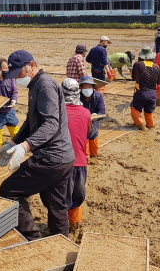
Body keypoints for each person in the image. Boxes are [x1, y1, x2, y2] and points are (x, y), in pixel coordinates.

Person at [0, 50, 75, 240]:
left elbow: (51, 123)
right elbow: (31, 121)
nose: (18, 79)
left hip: (50, 158)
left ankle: (32, 238)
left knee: (9, 189)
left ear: (31, 65)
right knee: (55, 204)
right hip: (63, 158)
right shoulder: (36, 84)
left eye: (19, 74)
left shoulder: (45, 86)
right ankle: (60, 242)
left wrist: (26, 146)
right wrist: (14, 142)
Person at [61, 78, 91, 234]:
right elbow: (90, 134)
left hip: (61, 163)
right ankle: (74, 226)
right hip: (80, 163)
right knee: (76, 197)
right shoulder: (86, 113)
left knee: (60, 198)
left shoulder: (58, 113)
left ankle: (61, 230)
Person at [131, 47, 160, 131]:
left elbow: (133, 77)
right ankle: (150, 126)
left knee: (135, 111)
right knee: (149, 112)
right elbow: (159, 82)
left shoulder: (138, 64)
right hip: (152, 94)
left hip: (141, 93)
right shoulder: (157, 67)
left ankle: (142, 127)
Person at [79, 76, 105, 157]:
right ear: (81, 88)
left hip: (94, 123)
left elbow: (102, 111)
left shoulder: (98, 96)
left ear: (93, 87)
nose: (87, 89)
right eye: (85, 87)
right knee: (84, 146)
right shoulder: (77, 97)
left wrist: (94, 116)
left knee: (93, 143)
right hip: (81, 125)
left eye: (89, 87)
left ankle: (94, 156)